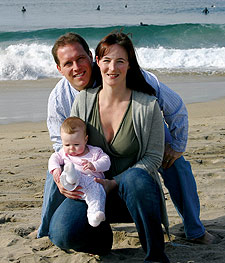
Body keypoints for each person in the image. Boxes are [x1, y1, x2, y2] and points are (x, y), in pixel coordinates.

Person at [37, 32, 214, 245]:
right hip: (89, 150)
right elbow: (60, 143)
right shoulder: (60, 98)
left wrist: (176, 146)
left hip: (138, 129)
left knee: (175, 162)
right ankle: (46, 230)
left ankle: (195, 229)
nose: (76, 67)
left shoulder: (128, 75)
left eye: (80, 58)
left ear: (91, 57)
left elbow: (176, 108)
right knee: (58, 166)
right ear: (59, 69)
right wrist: (64, 173)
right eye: (68, 63)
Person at [58, 31, 169, 262]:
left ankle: (156, 256)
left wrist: (114, 182)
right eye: (106, 60)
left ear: (129, 65)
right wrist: (60, 178)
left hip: (135, 195)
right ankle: (101, 239)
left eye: (120, 61)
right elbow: (68, 149)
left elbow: (153, 158)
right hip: (92, 190)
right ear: (97, 62)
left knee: (137, 178)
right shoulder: (84, 101)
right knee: (62, 233)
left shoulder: (147, 106)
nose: (112, 68)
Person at [48, 116, 111, 227]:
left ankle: (94, 216)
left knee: (97, 196)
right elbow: (53, 158)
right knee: (70, 174)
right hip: (73, 185)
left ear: (85, 139)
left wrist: (94, 165)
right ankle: (71, 173)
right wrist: (55, 169)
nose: (71, 148)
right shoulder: (64, 153)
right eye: (67, 145)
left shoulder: (94, 152)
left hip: (92, 183)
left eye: (76, 145)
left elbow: (106, 162)